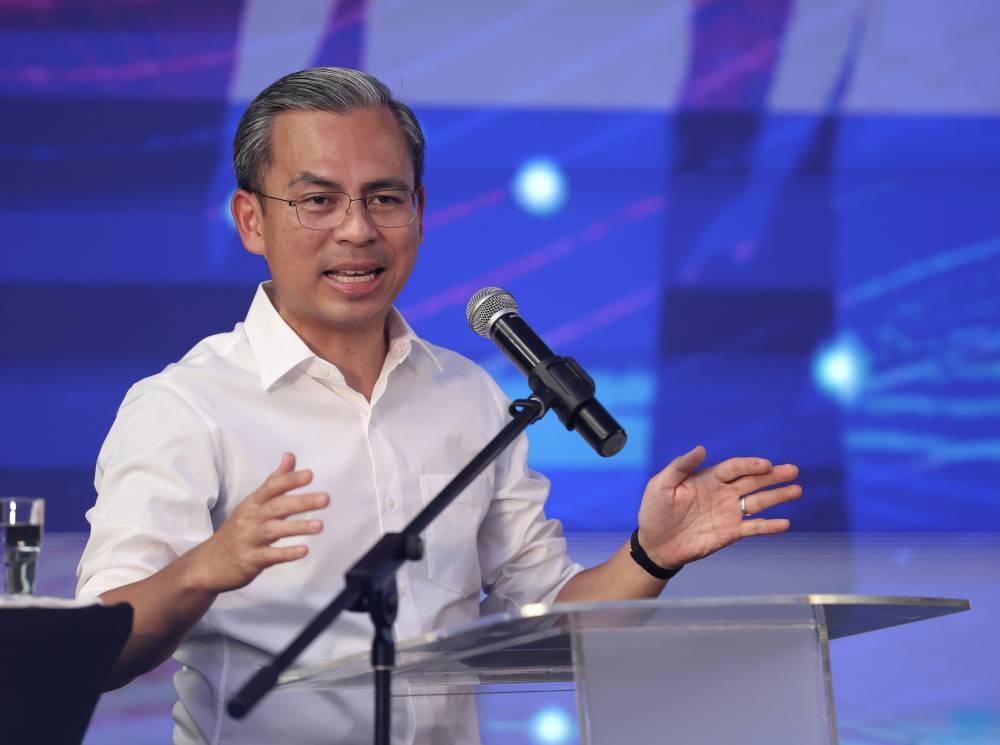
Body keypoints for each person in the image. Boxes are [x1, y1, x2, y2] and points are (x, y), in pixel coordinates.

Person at [76, 67, 802, 744]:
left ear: (418, 211)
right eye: (318, 200)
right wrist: (204, 567)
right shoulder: (185, 406)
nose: (358, 229)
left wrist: (651, 555)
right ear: (251, 220)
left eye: (385, 198)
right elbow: (93, 652)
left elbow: (553, 625)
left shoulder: (468, 395)